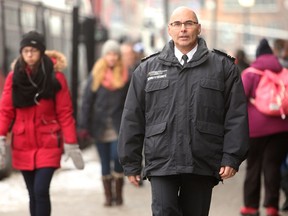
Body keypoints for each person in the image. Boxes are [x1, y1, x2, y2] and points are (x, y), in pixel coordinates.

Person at [118, 6, 249, 216]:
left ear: (199, 28)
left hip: (202, 160)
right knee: (163, 212)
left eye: (189, 23)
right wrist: (131, 162)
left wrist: (231, 157)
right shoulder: (147, 69)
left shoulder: (223, 67)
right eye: (177, 24)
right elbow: (132, 117)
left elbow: (236, 116)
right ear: (169, 30)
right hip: (162, 159)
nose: (183, 29)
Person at [0, 31, 84, 216]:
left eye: (34, 50)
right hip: (23, 143)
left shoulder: (55, 77)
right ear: (21, 52)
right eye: (26, 50)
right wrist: (0, 136)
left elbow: (64, 112)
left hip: (48, 142)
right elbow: (6, 110)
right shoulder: (14, 78)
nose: (29, 54)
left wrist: (71, 142)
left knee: (40, 190)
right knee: (32, 193)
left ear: (42, 52)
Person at [240, 38, 288, 216]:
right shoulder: (283, 72)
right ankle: (272, 207)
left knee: (253, 166)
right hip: (282, 128)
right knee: (272, 167)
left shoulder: (250, 73)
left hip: (255, 130)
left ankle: (251, 207)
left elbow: (239, 100)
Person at [79, 39, 129, 206]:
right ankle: (109, 197)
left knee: (118, 157)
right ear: (104, 55)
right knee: (105, 162)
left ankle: (119, 193)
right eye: (109, 54)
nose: (112, 57)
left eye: (115, 54)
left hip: (118, 127)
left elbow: (132, 102)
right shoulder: (96, 75)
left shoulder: (125, 75)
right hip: (99, 126)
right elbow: (87, 101)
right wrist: (83, 125)